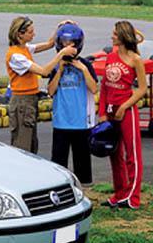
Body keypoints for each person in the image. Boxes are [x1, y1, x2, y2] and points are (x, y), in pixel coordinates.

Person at [6, 17, 77, 153]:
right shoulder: (16, 56)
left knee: (32, 144)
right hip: (22, 102)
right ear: (20, 34)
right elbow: (44, 72)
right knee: (23, 146)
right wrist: (62, 54)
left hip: (30, 100)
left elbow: (50, 43)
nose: (34, 34)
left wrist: (60, 27)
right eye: (30, 32)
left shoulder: (25, 48)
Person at [98, 21, 147, 209]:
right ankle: (119, 193)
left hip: (126, 111)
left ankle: (133, 197)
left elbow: (142, 89)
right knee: (114, 153)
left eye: (115, 34)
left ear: (123, 36)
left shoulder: (136, 60)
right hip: (109, 111)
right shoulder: (110, 56)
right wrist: (102, 111)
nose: (112, 37)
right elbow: (104, 87)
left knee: (132, 154)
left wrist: (124, 107)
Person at [47, 23, 98, 185]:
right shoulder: (56, 65)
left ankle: (84, 189)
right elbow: (50, 91)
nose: (68, 47)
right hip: (61, 121)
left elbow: (94, 88)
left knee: (82, 163)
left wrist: (82, 69)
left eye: (71, 44)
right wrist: (60, 70)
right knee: (58, 163)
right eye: (64, 43)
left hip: (81, 122)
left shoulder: (85, 64)